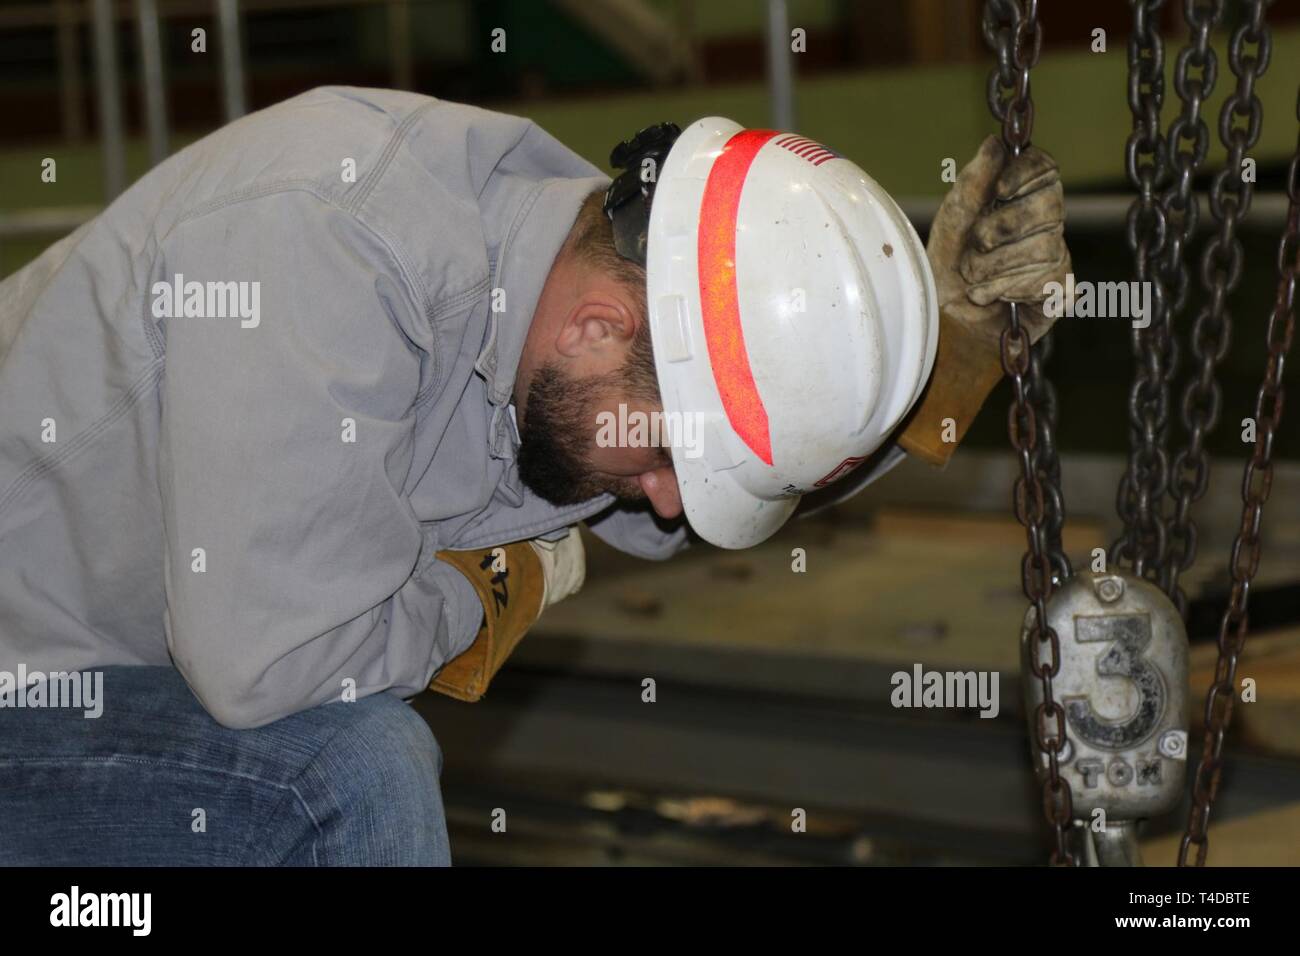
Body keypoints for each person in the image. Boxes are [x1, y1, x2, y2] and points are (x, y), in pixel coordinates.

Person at [0, 87, 1068, 865]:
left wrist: (936, 367)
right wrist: (478, 593)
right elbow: (270, 664)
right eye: (663, 456)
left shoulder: (577, 273)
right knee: (345, 775)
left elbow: (680, 489)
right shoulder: (333, 246)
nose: (661, 501)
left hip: (117, 679)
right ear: (599, 328)